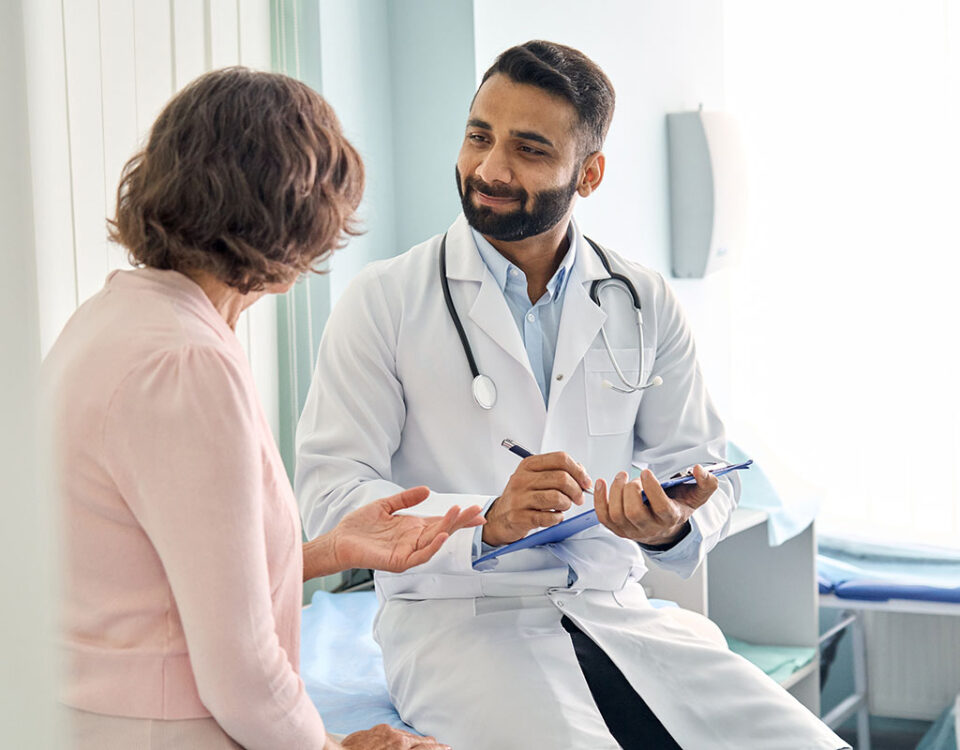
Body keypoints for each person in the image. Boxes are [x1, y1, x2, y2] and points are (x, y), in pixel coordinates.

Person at [296, 42, 847, 749]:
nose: (490, 170)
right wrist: (485, 520)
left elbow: (704, 468)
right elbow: (330, 494)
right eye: (478, 136)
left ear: (589, 174)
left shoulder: (642, 300)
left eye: (528, 149)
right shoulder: (385, 301)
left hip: (612, 606)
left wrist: (669, 526)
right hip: (457, 623)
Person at [43, 67, 483, 750]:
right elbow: (241, 672)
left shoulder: (108, 321)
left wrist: (329, 551)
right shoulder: (187, 364)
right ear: (292, 224)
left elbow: (154, 579)